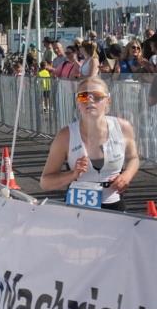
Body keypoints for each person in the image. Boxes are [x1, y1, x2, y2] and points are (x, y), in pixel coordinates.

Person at [40, 77, 139, 212]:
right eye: (84, 96)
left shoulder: (123, 127)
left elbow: (133, 158)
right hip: (77, 208)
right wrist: (72, 175)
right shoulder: (65, 135)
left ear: (108, 101)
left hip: (114, 204)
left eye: (97, 97)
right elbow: (45, 182)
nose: (90, 101)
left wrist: (126, 175)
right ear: (77, 102)